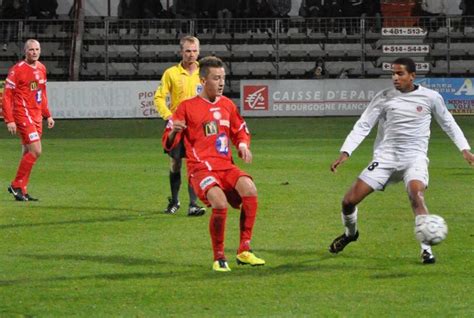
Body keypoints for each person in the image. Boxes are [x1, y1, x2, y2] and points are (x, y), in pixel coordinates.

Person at [328, 57, 473, 264]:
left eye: (400, 73)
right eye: (393, 73)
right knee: (348, 201)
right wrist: (345, 152)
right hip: (385, 158)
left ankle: (426, 250)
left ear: (412, 76)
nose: (395, 78)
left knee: (416, 195)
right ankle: (351, 234)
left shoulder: (430, 97)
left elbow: (449, 123)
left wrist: (465, 149)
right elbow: (363, 125)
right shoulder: (384, 97)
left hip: (414, 158)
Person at [162, 56, 265, 272]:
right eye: (216, 78)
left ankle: (244, 249)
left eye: (223, 78)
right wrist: (173, 133)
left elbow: (240, 130)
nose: (221, 83)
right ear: (203, 80)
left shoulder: (227, 105)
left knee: (250, 189)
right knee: (219, 203)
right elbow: (168, 143)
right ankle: (219, 257)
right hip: (201, 169)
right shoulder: (186, 108)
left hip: (225, 166)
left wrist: (243, 146)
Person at [154, 35, 206, 217]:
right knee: (175, 163)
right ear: (181, 52)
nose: (191, 55)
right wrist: (169, 117)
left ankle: (193, 204)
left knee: (194, 163)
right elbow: (159, 97)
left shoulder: (205, 73)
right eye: (188, 51)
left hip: (198, 127)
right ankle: (175, 200)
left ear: (199, 52)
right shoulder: (171, 73)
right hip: (178, 126)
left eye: (194, 51)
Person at [2, 39, 55, 201]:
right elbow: (6, 96)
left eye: (37, 49)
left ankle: (22, 189)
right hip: (22, 114)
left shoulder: (41, 68)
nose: (34, 52)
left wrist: (48, 114)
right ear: (25, 51)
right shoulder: (17, 70)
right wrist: (9, 119)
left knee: (27, 152)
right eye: (31, 49)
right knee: (36, 150)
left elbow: (42, 93)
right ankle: (16, 184)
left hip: (36, 115)